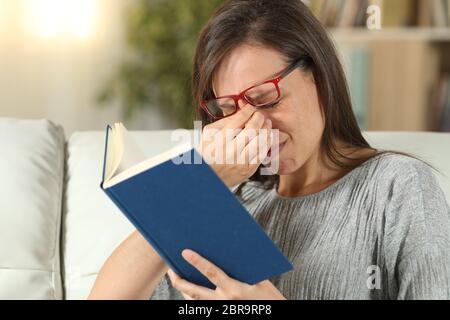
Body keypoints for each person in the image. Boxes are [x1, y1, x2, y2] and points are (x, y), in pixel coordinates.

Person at [89, 0, 450, 300]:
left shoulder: (397, 188)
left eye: (265, 98)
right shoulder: (233, 203)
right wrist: (200, 182)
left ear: (320, 78)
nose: (253, 127)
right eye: (229, 110)